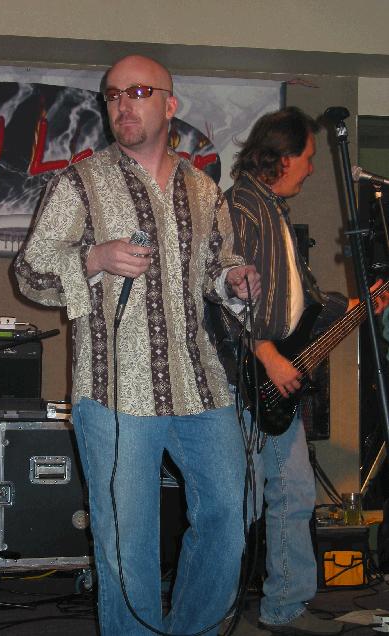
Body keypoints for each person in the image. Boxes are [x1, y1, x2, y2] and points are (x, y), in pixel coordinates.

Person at [14, 54, 261, 636]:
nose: (123, 104)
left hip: (201, 384)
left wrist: (233, 279)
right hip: (114, 390)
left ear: (170, 105)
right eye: (113, 94)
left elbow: (214, 267)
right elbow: (29, 272)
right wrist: (94, 258)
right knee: (129, 543)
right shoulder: (79, 183)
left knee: (230, 517)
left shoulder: (203, 188)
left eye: (139, 92)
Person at [222, 106, 389, 635]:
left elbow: (298, 304)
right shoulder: (242, 208)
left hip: (273, 378)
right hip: (245, 378)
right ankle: (217, 613)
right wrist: (268, 356)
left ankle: (285, 606)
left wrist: (358, 306)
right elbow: (222, 297)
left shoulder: (273, 210)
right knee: (237, 503)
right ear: (282, 157)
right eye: (308, 158)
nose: (313, 168)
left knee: (292, 494)